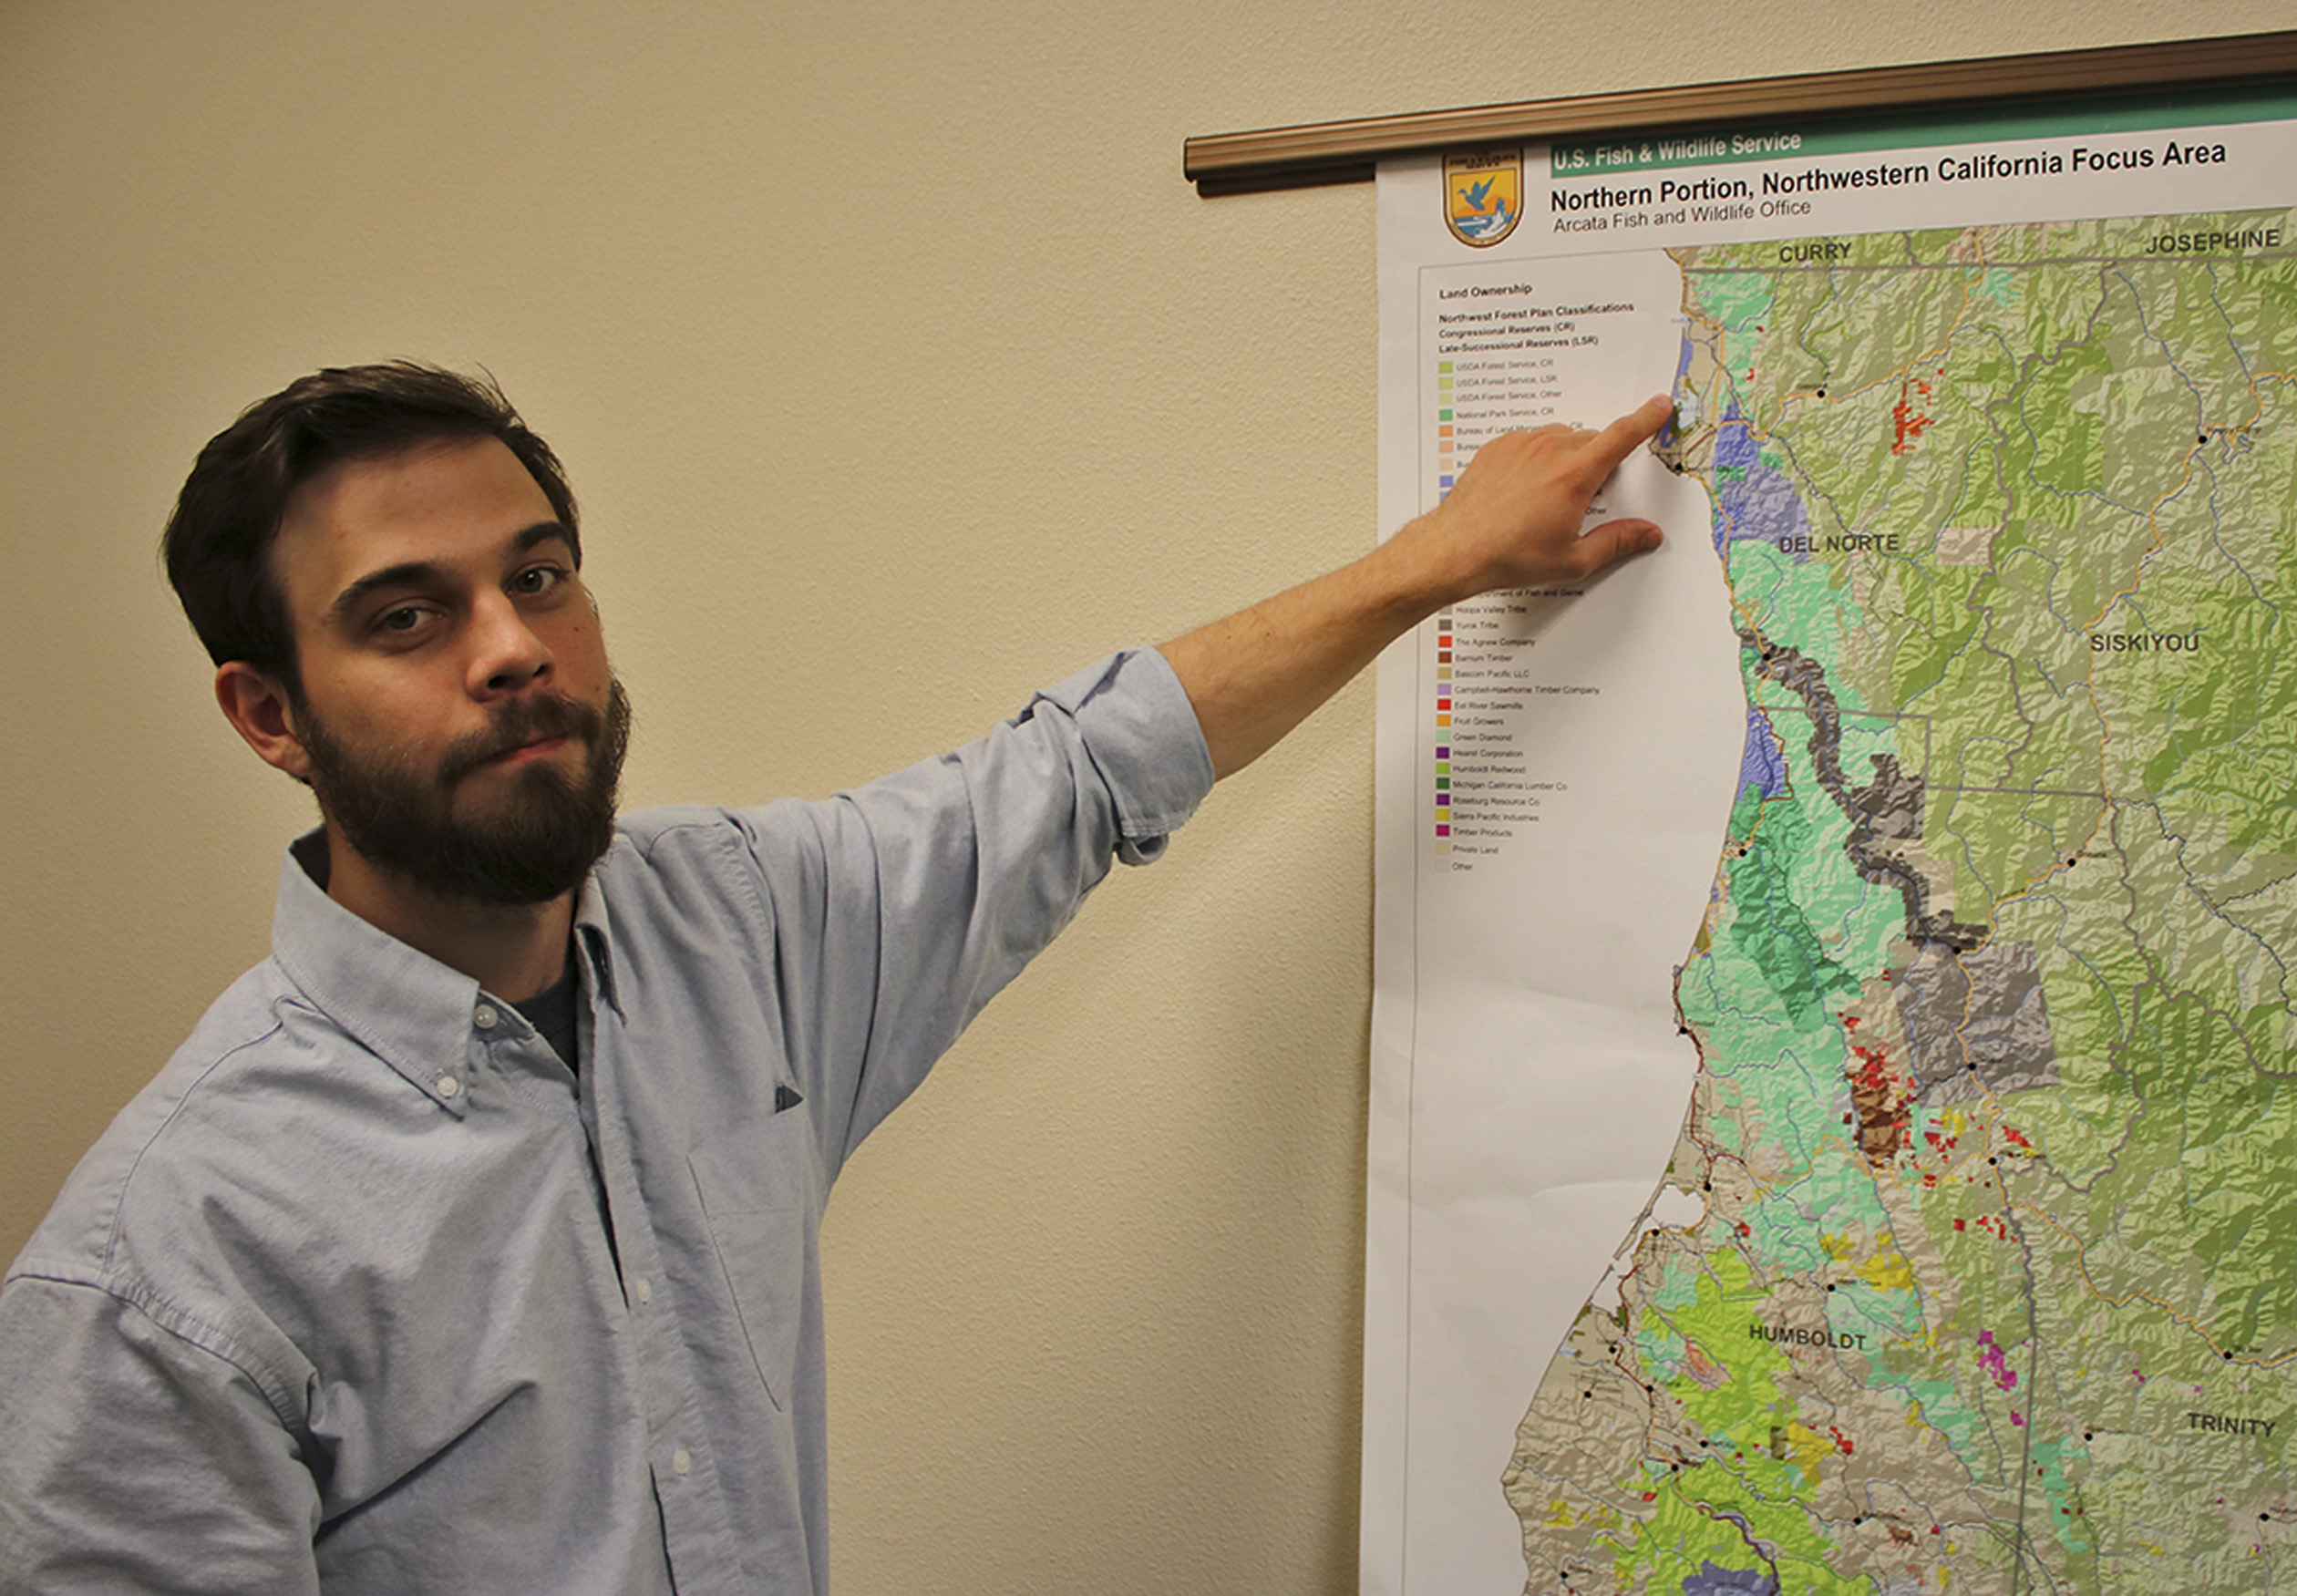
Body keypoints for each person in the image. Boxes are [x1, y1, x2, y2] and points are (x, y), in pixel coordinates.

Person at [0, 363, 1672, 1591]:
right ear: (269, 716)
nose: (512, 646)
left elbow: (1077, 775)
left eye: (537, 575)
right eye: (404, 618)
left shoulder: (726, 930)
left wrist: (1437, 560)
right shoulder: (163, 1270)